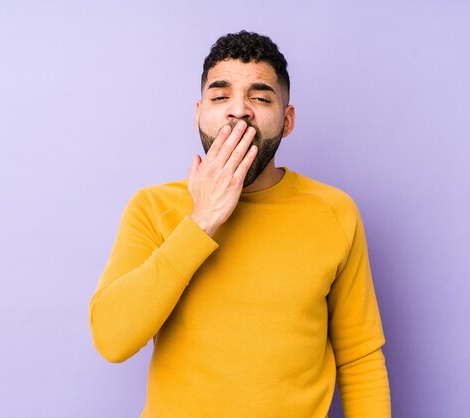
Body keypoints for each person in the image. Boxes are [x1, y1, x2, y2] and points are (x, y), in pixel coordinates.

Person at [89, 30, 391, 418]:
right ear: (198, 112)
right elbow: (112, 340)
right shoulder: (153, 207)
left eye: (260, 97)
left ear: (287, 120)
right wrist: (202, 221)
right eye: (220, 96)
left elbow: (360, 359)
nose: (239, 110)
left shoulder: (335, 212)